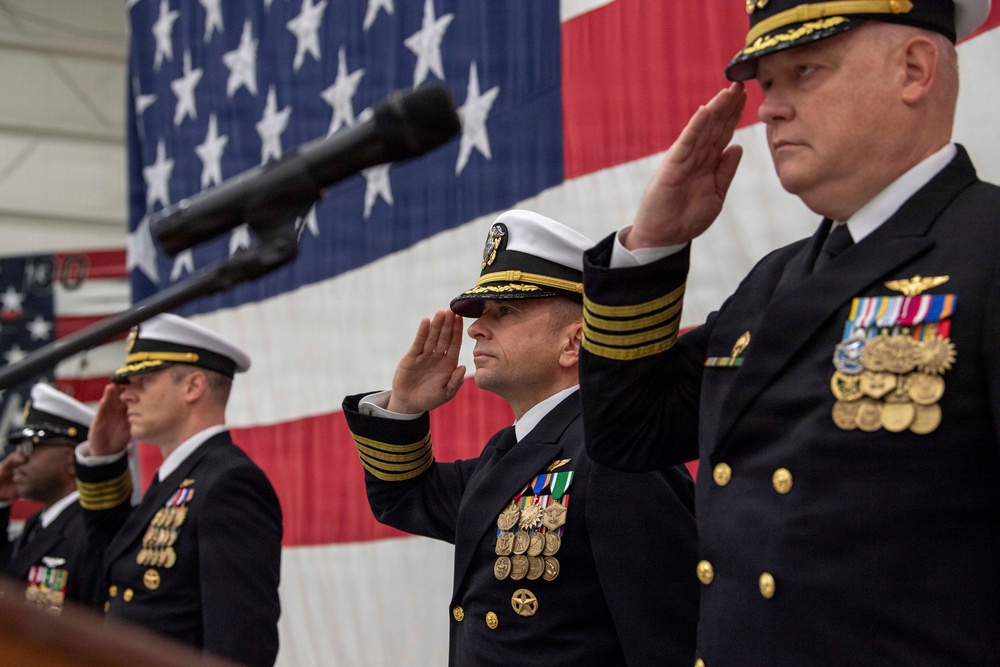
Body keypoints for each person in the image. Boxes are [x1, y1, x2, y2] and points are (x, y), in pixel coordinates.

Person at [578, 0, 999, 664]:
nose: (769, 108)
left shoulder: (985, 250)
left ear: (914, 70)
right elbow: (629, 431)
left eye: (805, 70)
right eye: (767, 82)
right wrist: (650, 247)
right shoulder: (771, 284)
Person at [343, 209, 699, 666]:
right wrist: (405, 408)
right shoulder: (507, 453)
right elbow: (405, 496)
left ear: (573, 342)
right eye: (481, 312)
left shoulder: (613, 457)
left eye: (505, 311)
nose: (475, 328)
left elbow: (671, 642)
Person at [75, 313, 282, 667]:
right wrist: (105, 461)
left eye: (143, 380)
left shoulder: (228, 483)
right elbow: (110, 561)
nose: (126, 395)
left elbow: (240, 644)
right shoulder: (175, 480)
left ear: (192, 386)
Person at [0, 383, 101, 612]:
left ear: (72, 460)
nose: (17, 459)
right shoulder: (39, 523)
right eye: (19, 448)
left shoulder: (89, 530)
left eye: (30, 447)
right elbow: (8, 579)